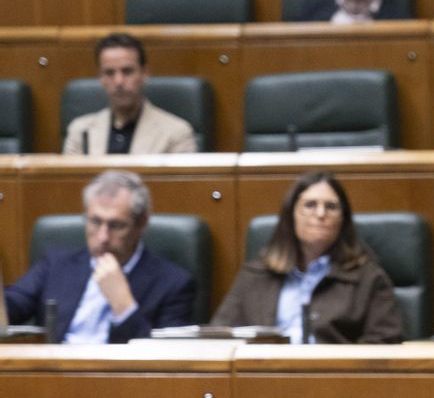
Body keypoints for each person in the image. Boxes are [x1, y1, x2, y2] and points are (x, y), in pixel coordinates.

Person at [4, 170, 196, 344]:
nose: (103, 237)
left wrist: (123, 305)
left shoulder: (174, 283)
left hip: (122, 381)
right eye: (95, 222)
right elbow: (12, 306)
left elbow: (171, 362)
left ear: (141, 223)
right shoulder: (56, 264)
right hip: (54, 376)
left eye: (116, 225)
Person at [212, 171, 404, 344]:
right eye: (310, 205)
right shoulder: (255, 276)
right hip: (262, 377)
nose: (321, 214)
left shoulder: (368, 279)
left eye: (331, 206)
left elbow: (386, 343)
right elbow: (220, 338)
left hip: (334, 380)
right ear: (291, 215)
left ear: (343, 219)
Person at [63, 33, 196, 156]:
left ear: (144, 74)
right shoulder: (80, 131)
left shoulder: (176, 133)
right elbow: (70, 182)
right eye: (109, 73)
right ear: (101, 78)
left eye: (127, 72)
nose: (119, 82)